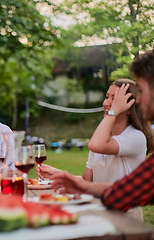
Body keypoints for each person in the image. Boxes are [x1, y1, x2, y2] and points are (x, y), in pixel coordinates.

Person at [50, 49, 154, 215]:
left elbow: (95, 145)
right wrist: (58, 174)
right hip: (100, 207)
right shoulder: (102, 135)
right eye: (107, 97)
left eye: (114, 99)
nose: (107, 103)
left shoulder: (136, 137)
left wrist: (113, 111)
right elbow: (87, 181)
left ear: (128, 107)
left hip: (125, 213)